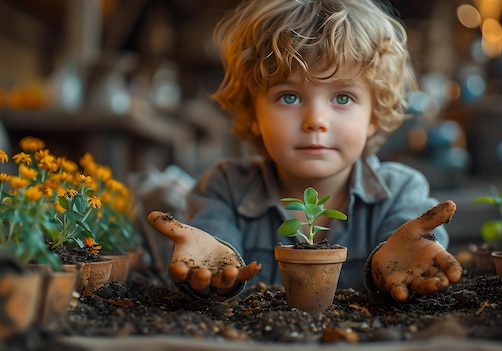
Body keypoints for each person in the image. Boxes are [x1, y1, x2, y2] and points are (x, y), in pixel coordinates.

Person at [147, 0, 462, 303]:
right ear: (253, 113)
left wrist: (400, 264)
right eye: (289, 97)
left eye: (342, 98)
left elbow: (413, 252)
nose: (316, 121)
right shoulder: (223, 188)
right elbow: (211, 254)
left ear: (374, 116)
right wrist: (211, 270)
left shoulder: (402, 192)